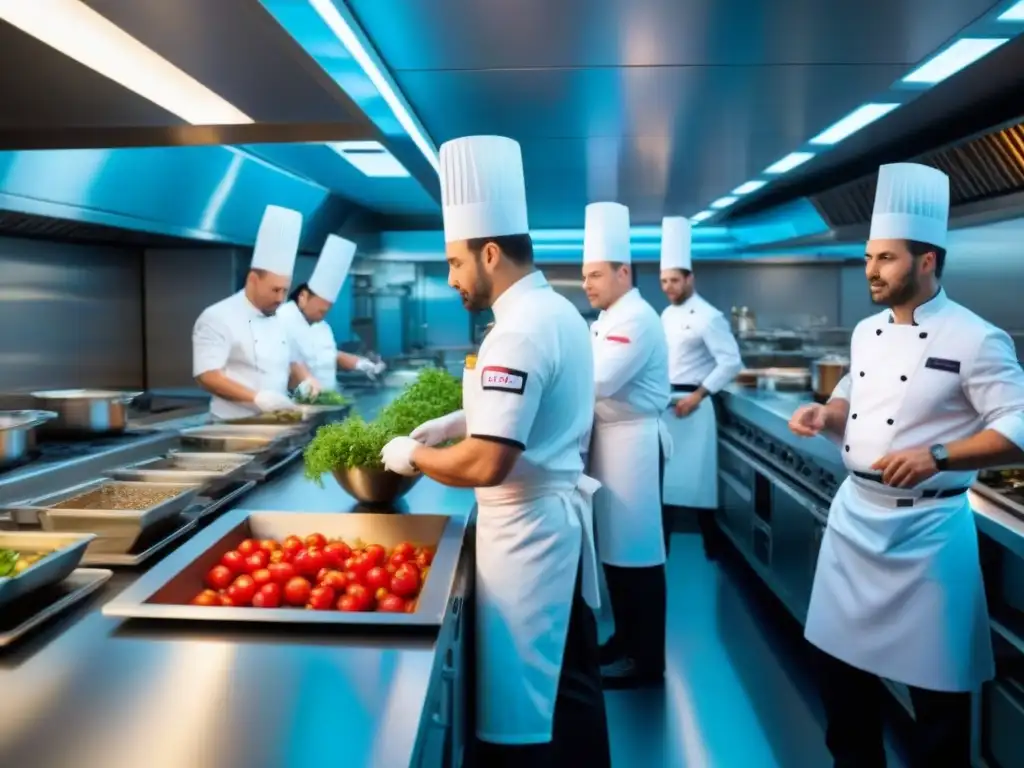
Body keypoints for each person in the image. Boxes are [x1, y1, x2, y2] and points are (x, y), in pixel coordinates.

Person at [379, 134, 611, 767]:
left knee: (528, 713)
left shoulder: (518, 331)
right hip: (550, 527)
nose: (452, 278)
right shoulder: (556, 312)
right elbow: (538, 407)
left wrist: (411, 456)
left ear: (488, 253)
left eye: (455, 263)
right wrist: (458, 420)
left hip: (526, 540)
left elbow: (488, 462)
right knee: (569, 687)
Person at [788, 162, 1024, 767]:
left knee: (938, 716)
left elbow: (1019, 428)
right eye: (868, 258)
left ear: (927, 260)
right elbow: (858, 403)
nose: (870, 270)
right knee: (843, 698)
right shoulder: (866, 333)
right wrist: (827, 413)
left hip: (926, 538)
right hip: (853, 524)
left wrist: (939, 455)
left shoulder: (977, 338)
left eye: (885, 259)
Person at [580, 201, 671, 688]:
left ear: (623, 271)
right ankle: (624, 640)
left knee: (638, 553)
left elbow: (597, 381)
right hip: (612, 443)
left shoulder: (635, 318)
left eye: (595, 274)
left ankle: (646, 659)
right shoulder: (612, 315)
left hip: (633, 444)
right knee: (616, 551)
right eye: (584, 275)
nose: (588, 284)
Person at [659, 216, 742, 558]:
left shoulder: (709, 316)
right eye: (664, 281)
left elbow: (731, 361)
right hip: (667, 406)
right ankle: (660, 551)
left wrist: (698, 395)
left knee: (696, 486)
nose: (668, 287)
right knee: (664, 486)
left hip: (693, 408)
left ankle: (714, 551)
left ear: (690, 278)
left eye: (674, 280)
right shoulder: (666, 314)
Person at [192, 205, 320, 420]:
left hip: (278, 422)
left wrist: (306, 379)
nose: (280, 298)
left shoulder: (280, 318)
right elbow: (207, 376)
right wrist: (257, 398)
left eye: (285, 290)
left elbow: (291, 361)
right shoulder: (217, 317)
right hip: (232, 425)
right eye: (274, 290)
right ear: (253, 280)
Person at [277, 234, 387, 390]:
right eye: (320, 309)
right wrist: (305, 384)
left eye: (327, 310)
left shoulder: (320, 324)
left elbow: (329, 355)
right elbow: (286, 364)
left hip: (324, 399)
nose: (323, 315)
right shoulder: (282, 319)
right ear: (303, 297)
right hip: (295, 403)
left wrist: (361, 364)